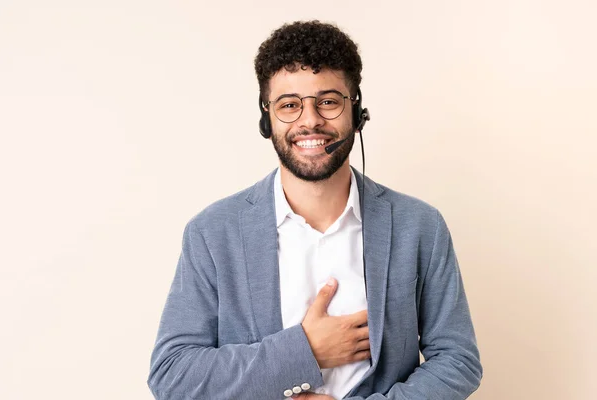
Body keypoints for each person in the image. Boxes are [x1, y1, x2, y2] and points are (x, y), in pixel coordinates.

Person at [148, 20, 482, 400]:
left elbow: (458, 359)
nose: (310, 121)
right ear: (266, 118)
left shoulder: (420, 226)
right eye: (289, 105)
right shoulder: (212, 233)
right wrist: (305, 350)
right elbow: (172, 376)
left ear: (357, 113)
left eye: (327, 101)